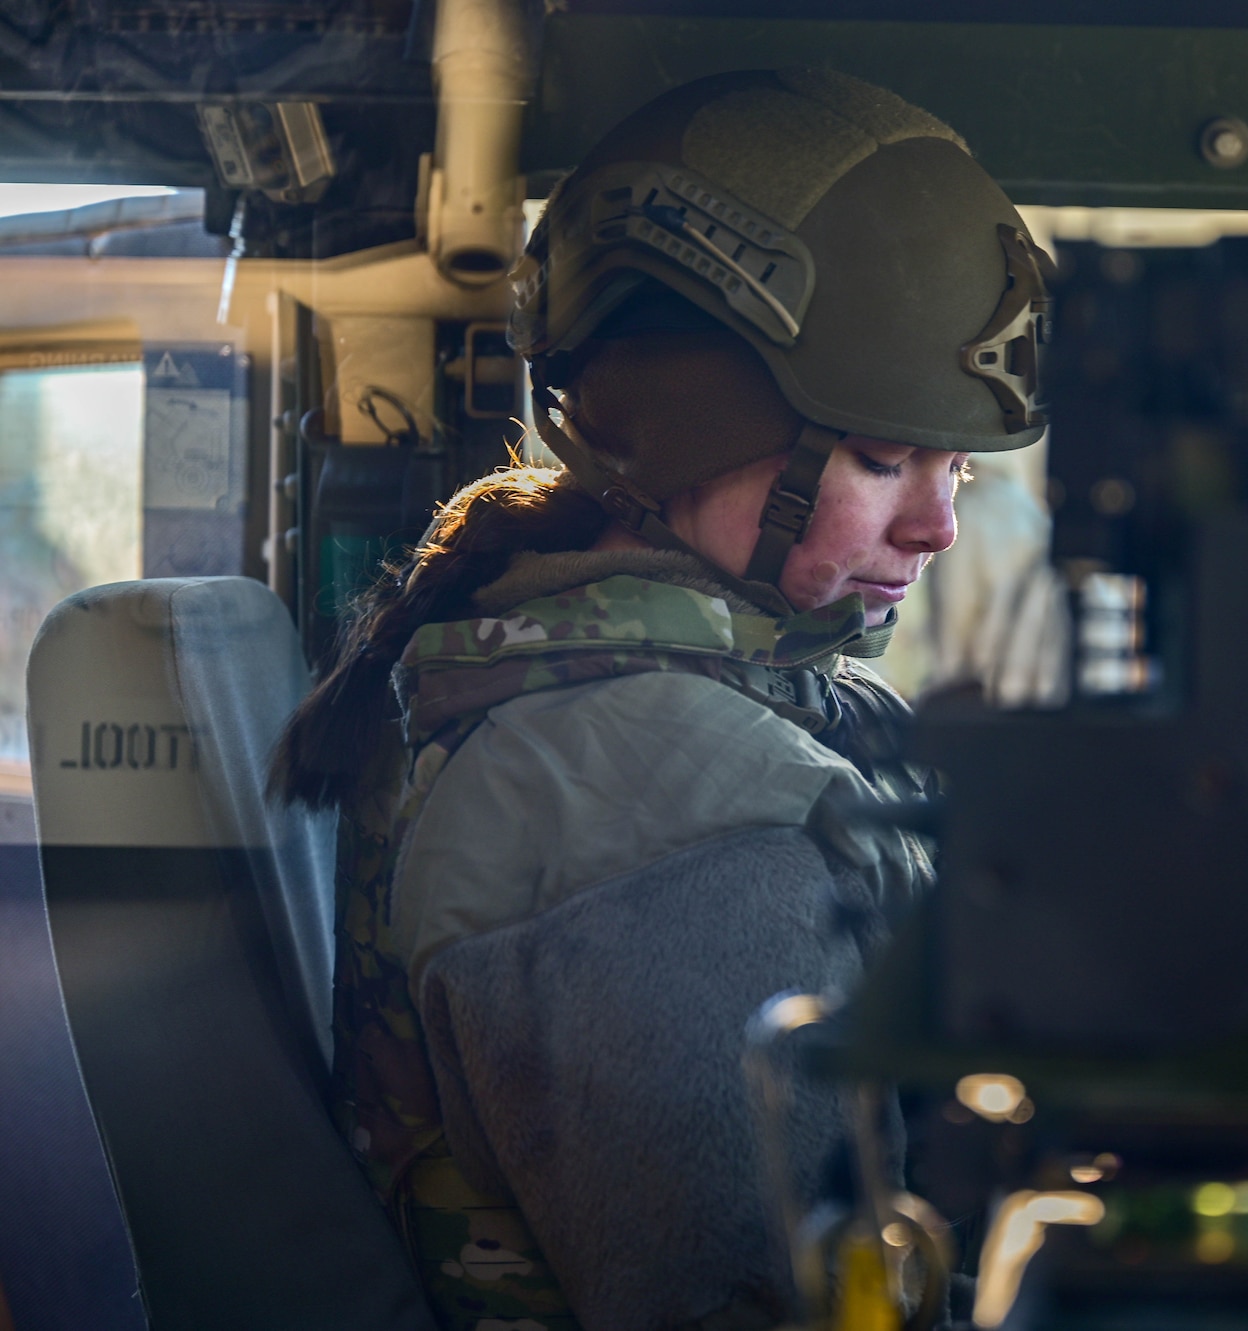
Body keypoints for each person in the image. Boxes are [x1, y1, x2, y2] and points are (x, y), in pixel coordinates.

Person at [274, 67, 1049, 1331]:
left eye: (954, 464)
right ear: (695, 424)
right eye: (884, 454)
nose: (936, 526)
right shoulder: (670, 796)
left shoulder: (648, 677)